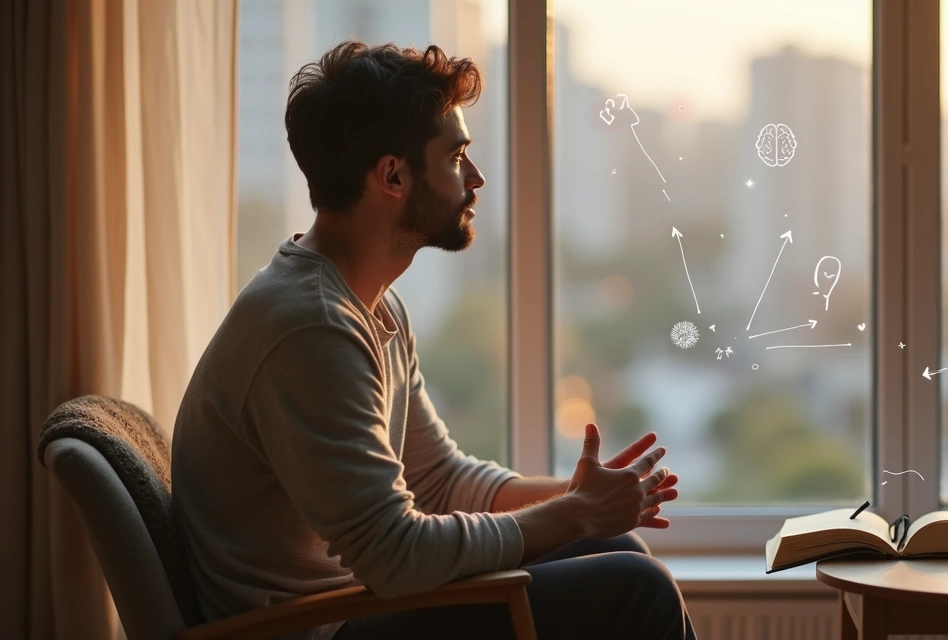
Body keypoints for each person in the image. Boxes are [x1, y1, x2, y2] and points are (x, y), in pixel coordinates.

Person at [170, 39, 697, 640]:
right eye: (455, 158)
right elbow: (397, 554)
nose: (475, 178)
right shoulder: (310, 328)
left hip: (361, 605)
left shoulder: (369, 304)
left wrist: (579, 497)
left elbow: (439, 482)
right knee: (637, 588)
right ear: (393, 175)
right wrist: (573, 514)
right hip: (317, 626)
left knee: (612, 541)